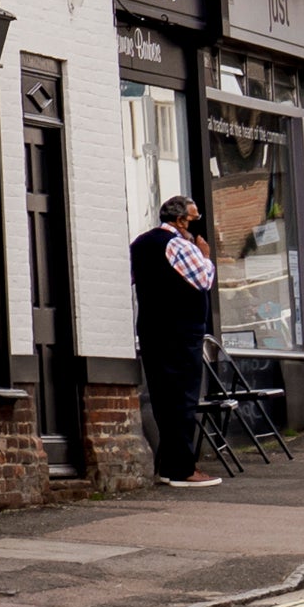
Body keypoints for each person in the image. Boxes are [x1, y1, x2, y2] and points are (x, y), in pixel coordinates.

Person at [131, 193, 227, 487]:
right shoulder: (178, 244)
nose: (195, 224)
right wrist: (205, 257)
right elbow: (202, 280)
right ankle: (183, 469)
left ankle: (167, 466)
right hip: (180, 333)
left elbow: (135, 279)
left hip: (151, 330)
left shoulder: (141, 243)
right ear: (181, 218)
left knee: (163, 400)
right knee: (183, 400)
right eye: (194, 218)